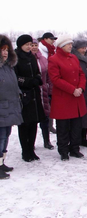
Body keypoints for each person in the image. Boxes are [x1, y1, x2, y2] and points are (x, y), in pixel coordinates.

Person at [48, 35, 87, 161]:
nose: (70, 46)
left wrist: (80, 88)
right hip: (63, 99)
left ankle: (75, 149)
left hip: (76, 97)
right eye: (67, 44)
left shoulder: (74, 57)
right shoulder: (54, 59)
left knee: (76, 126)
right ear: (60, 46)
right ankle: (63, 151)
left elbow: (81, 74)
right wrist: (72, 90)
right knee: (63, 127)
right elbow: (55, 79)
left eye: (71, 44)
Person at [14, 34, 46, 162]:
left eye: (31, 44)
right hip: (24, 96)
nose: (29, 47)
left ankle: (31, 150)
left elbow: (37, 71)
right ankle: (25, 151)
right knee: (24, 125)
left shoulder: (32, 57)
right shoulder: (16, 58)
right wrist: (28, 81)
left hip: (34, 94)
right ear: (20, 45)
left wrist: (38, 78)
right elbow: (15, 77)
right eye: (26, 45)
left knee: (34, 124)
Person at [0, 35, 23, 179]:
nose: (5, 52)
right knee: (0, 137)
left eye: (6, 49)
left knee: (6, 136)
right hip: (2, 107)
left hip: (10, 106)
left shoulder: (8, 67)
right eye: (2, 50)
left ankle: (1, 162)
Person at [71, 39, 87, 148]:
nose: (84, 50)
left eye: (85, 48)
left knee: (86, 114)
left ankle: (83, 138)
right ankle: (75, 138)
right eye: (82, 48)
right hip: (78, 89)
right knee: (78, 115)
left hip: (86, 89)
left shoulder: (86, 59)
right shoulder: (73, 58)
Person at [31, 39, 54, 150]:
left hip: (44, 92)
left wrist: (50, 90)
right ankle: (31, 142)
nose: (34, 47)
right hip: (32, 92)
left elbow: (49, 76)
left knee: (45, 118)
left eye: (35, 45)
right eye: (31, 45)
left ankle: (47, 141)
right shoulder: (25, 60)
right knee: (33, 120)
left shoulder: (43, 59)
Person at [38, 32, 57, 134]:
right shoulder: (40, 50)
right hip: (42, 82)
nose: (53, 41)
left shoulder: (52, 50)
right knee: (43, 107)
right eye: (51, 39)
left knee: (51, 105)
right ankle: (45, 128)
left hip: (51, 81)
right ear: (44, 39)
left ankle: (50, 125)